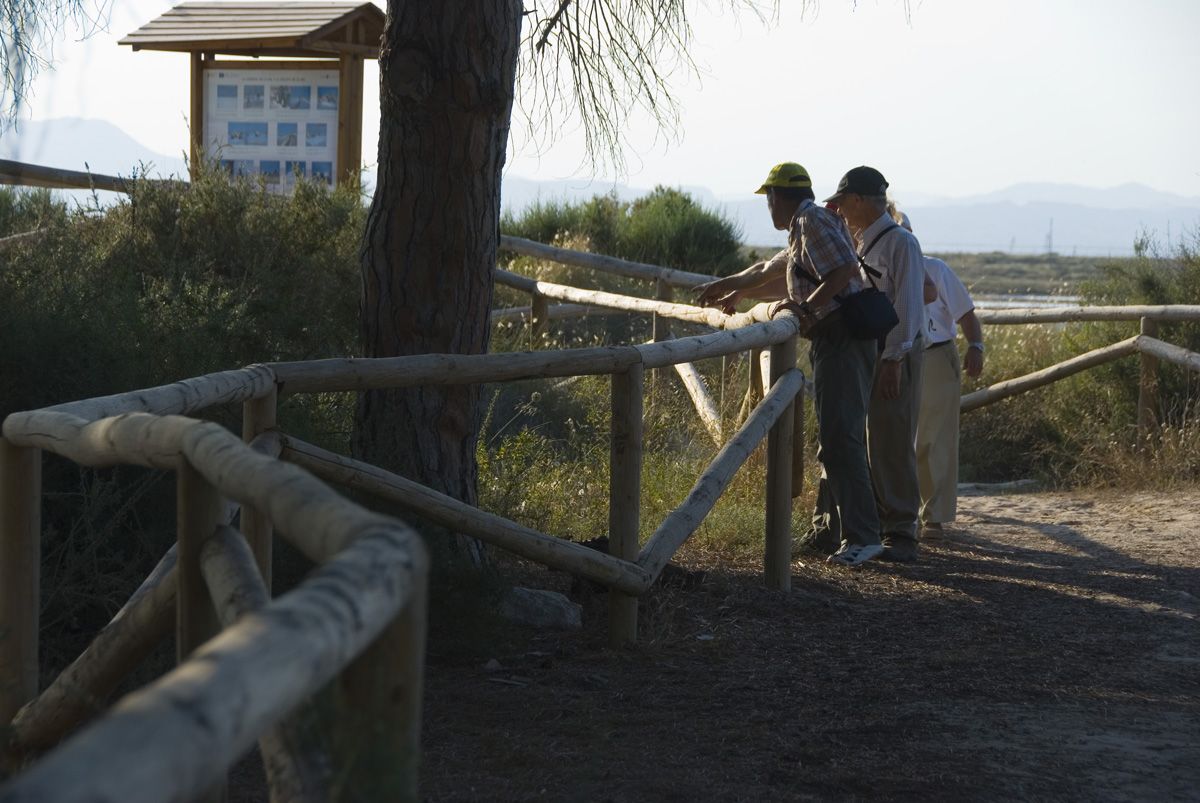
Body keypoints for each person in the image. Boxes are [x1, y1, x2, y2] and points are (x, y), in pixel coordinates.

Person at [695, 162, 884, 566]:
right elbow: (769, 271)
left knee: (841, 440)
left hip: (842, 337)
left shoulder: (811, 221)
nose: (768, 208)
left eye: (768, 199)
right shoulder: (805, 225)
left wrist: (804, 309)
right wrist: (730, 286)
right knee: (835, 439)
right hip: (835, 340)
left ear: (776, 197)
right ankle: (848, 533)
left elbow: (844, 271)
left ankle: (864, 536)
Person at [822, 166, 927, 562]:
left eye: (844, 202)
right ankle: (887, 524)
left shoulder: (901, 243)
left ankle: (901, 530)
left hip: (892, 351)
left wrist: (894, 359)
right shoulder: (864, 240)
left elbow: (909, 307)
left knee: (892, 438)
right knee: (874, 437)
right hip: (874, 349)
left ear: (860, 200)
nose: (841, 210)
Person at [902, 214, 985, 536]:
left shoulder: (936, 270)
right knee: (895, 438)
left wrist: (975, 345)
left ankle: (933, 515)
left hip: (935, 354)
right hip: (896, 355)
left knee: (932, 438)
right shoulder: (878, 271)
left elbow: (965, 312)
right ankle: (898, 512)